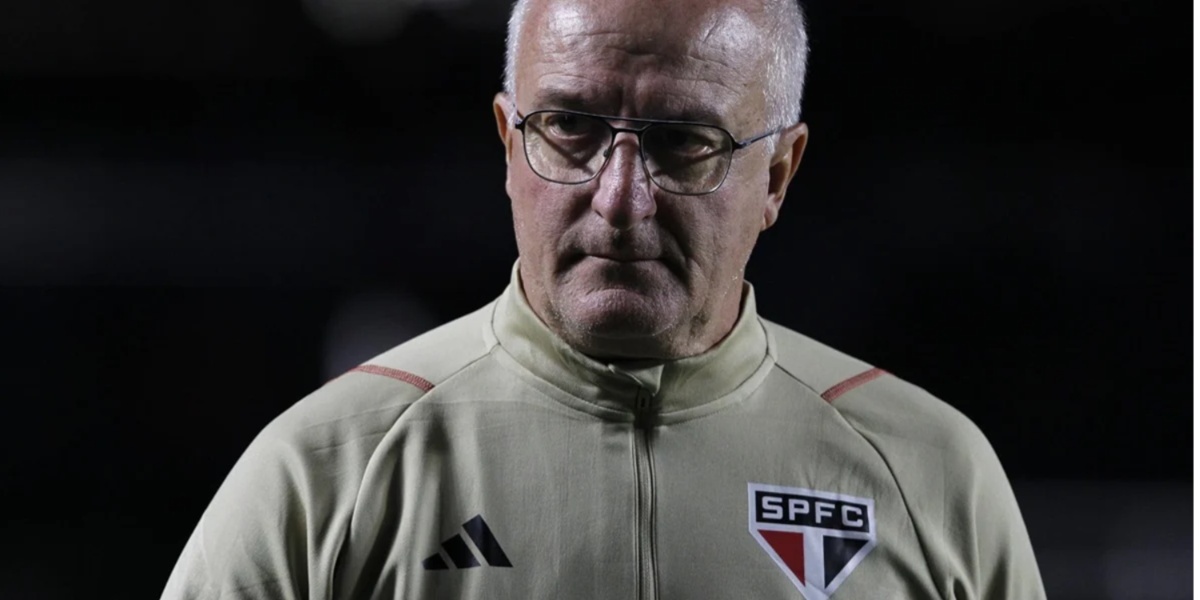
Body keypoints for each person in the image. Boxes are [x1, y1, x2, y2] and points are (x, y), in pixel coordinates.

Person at [162, 0, 1046, 597]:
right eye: (572, 127)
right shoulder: (328, 470)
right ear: (509, 143)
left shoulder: (929, 472)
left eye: (684, 142)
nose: (621, 197)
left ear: (778, 174)